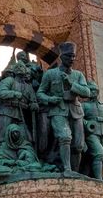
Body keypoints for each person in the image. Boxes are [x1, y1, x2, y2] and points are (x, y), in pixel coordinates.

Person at [37, 42, 91, 172]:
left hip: (75, 111)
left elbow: (87, 92)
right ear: (62, 57)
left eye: (73, 56)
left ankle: (76, 172)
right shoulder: (50, 74)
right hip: (57, 110)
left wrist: (71, 83)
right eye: (68, 56)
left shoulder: (78, 75)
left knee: (78, 145)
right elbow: (40, 93)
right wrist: (50, 99)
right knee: (65, 137)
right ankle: (67, 169)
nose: (71, 59)